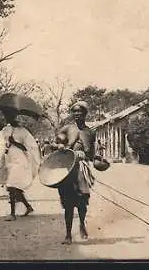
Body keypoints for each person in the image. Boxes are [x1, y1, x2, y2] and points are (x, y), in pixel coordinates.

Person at [56, 101, 96, 245]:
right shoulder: (66, 129)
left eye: (80, 112)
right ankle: (68, 234)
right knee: (67, 203)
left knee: (82, 202)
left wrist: (85, 155)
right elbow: (55, 144)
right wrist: (60, 146)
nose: (77, 114)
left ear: (85, 114)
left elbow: (91, 154)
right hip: (67, 170)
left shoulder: (90, 132)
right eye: (75, 112)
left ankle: (82, 224)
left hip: (81, 169)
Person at [0, 108, 40, 221]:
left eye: (10, 115)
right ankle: (28, 207)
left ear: (15, 116)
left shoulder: (23, 131)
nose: (8, 118)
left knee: (12, 185)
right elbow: (0, 146)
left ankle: (12, 213)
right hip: (9, 160)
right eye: (6, 116)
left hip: (20, 160)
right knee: (15, 187)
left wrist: (15, 143)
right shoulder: (5, 130)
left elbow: (29, 147)